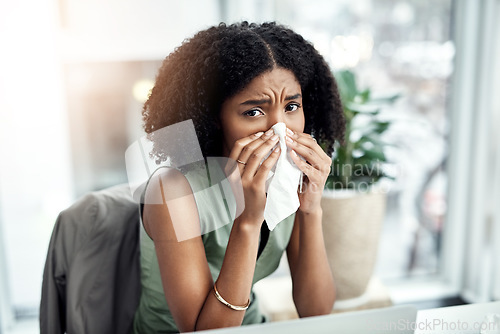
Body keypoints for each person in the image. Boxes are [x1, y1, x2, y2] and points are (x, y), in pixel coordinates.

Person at [133, 21, 345, 333]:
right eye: (253, 112)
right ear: (213, 118)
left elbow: (316, 311)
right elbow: (203, 332)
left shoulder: (288, 183)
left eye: (292, 106)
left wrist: (311, 209)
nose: (279, 130)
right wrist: (247, 220)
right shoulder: (172, 192)